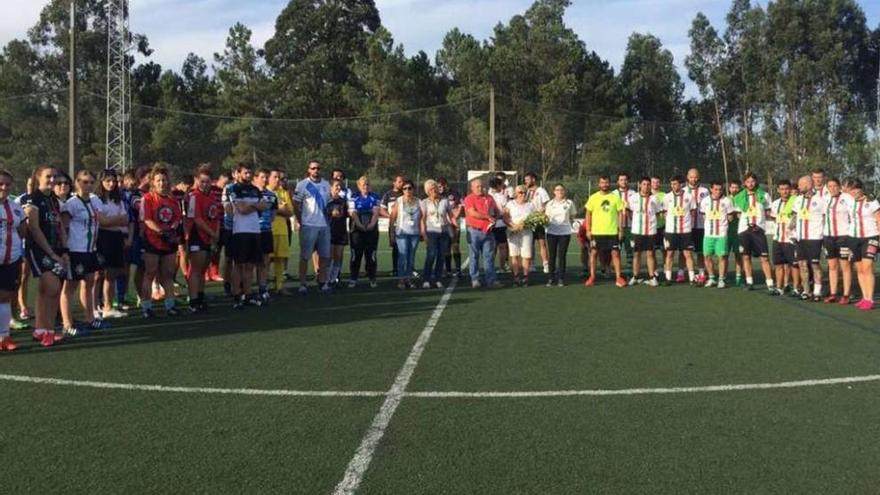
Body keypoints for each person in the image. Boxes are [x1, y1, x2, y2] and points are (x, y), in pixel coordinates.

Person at [23, 166, 67, 347]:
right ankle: (49, 331)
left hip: (55, 250)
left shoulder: (54, 200)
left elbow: (60, 227)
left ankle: (40, 329)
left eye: (55, 176)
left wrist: (64, 250)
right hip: (39, 250)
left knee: (44, 290)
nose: (52, 179)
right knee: (53, 288)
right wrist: (51, 253)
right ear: (38, 177)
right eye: (48, 176)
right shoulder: (33, 199)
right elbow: (34, 228)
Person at [60, 170, 108, 335]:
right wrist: (65, 250)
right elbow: (64, 228)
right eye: (84, 182)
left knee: (89, 284)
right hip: (76, 250)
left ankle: (90, 318)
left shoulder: (95, 201)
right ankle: (67, 324)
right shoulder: (71, 204)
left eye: (90, 182)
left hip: (90, 250)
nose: (87, 185)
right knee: (69, 287)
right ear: (77, 183)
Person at [140, 165, 184, 317]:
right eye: (158, 180)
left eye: (164, 180)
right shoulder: (147, 198)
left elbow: (178, 218)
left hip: (169, 242)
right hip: (152, 241)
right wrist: (161, 232)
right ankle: (146, 307)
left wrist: (172, 230)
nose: (161, 183)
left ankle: (170, 305)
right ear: (152, 181)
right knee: (150, 273)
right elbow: (146, 219)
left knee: (168, 274)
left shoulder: (173, 200)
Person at [228, 164, 266, 307]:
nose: (248, 175)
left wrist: (251, 206)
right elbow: (242, 209)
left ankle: (248, 294)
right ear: (238, 173)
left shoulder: (256, 190)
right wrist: (255, 206)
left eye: (250, 173)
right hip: (240, 231)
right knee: (239, 264)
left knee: (250, 265)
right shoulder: (234, 189)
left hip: (255, 230)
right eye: (245, 173)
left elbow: (264, 206)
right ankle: (237, 294)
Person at [185, 165, 221, 312]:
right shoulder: (194, 196)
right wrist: (212, 233)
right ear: (196, 181)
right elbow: (197, 219)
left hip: (209, 237)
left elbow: (216, 217)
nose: (205, 184)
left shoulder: (212, 196)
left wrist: (216, 234)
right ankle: (193, 300)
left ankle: (200, 296)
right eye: (202, 181)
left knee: (203, 269)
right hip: (197, 236)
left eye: (207, 181)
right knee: (196, 269)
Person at [732, 172, 775, 293]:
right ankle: (749, 281)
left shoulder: (764, 195)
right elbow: (739, 214)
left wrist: (759, 224)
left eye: (752, 181)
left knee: (764, 258)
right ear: (744, 183)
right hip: (744, 230)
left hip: (758, 230)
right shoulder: (739, 197)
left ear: (756, 182)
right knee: (746, 257)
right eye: (748, 181)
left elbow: (768, 212)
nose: (750, 183)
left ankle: (770, 283)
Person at [95, 169, 130, 319]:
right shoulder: (96, 199)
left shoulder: (118, 199)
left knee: (112, 274)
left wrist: (111, 221)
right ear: (101, 182)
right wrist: (115, 220)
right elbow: (102, 222)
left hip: (116, 237)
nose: (111, 184)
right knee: (97, 275)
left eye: (113, 181)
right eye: (108, 180)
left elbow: (126, 219)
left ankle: (108, 306)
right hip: (101, 238)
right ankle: (94, 306)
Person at [294, 160, 331, 294]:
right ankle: (303, 283)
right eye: (313, 168)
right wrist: (300, 220)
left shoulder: (327, 184)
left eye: (318, 168)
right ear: (309, 170)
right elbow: (296, 204)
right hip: (309, 225)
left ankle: (322, 282)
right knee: (305, 256)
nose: (316, 170)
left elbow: (330, 203)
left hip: (324, 225)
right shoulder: (303, 184)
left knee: (325, 256)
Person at [0, 169, 27, 351]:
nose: (4, 187)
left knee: (5, 297)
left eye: (7, 184)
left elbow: (23, 231)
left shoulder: (16, 207)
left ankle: (4, 337)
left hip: (11, 259)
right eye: (0, 184)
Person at [584, 176, 626, 288]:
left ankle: (618, 278)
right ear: (599, 184)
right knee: (593, 254)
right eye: (602, 182)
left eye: (606, 182)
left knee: (615, 254)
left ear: (609, 184)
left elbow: (620, 214)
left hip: (612, 232)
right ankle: (592, 277)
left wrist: (621, 229)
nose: (605, 184)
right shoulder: (593, 198)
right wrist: (588, 230)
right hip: (596, 232)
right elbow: (588, 214)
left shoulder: (615, 197)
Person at [791, 175, 827, 302]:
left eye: (800, 184)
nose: (798, 187)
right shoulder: (798, 200)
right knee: (802, 265)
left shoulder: (821, 200)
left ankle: (817, 291)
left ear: (808, 184)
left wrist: (824, 236)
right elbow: (794, 216)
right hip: (801, 238)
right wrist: (792, 230)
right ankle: (806, 291)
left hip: (814, 237)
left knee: (815, 265)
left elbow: (825, 218)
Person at [845, 178, 879, 311]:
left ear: (861, 188)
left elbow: (879, 219)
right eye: (850, 190)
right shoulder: (848, 201)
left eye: (855, 189)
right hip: (853, 237)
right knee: (859, 269)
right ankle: (864, 297)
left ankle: (870, 299)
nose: (853, 192)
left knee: (867, 268)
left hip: (870, 237)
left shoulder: (871, 202)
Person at [463, 178, 500, 288]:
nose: (480, 188)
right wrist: (487, 216)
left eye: (482, 186)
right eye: (477, 187)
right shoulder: (469, 198)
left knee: (489, 256)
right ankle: (475, 279)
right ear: (472, 188)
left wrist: (495, 218)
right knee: (474, 256)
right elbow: (472, 213)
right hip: (474, 231)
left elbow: (497, 211)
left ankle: (491, 280)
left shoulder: (489, 198)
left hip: (488, 231)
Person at [625, 177, 662, 287]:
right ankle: (635, 276)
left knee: (650, 254)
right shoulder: (633, 197)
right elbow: (629, 211)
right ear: (640, 185)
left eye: (648, 184)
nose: (646, 186)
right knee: (637, 254)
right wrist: (636, 222)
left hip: (650, 230)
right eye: (644, 184)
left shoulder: (654, 199)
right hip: (637, 230)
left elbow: (658, 213)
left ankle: (652, 277)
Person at [662, 176, 697, 286]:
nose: (673, 186)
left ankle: (692, 278)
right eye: (672, 184)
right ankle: (668, 278)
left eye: (675, 184)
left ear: (681, 184)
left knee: (687, 254)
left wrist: (687, 224)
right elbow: (664, 212)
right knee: (670, 253)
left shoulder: (689, 197)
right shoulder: (667, 197)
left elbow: (693, 212)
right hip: (671, 231)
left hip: (685, 230)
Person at [822, 178, 853, 304]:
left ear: (839, 186)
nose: (833, 188)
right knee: (832, 266)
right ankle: (833, 293)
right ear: (827, 188)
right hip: (828, 236)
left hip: (843, 237)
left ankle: (846, 294)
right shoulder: (825, 198)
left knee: (845, 266)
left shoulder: (847, 198)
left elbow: (854, 214)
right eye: (830, 186)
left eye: (835, 186)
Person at [699, 181, 735, 288]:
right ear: (711, 189)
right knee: (707, 256)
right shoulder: (705, 201)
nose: (718, 191)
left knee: (722, 257)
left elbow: (730, 217)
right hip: (708, 234)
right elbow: (704, 216)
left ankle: (721, 279)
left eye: (720, 189)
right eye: (715, 189)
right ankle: (711, 278)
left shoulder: (727, 201)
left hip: (721, 234)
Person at [347, 176, 381, 288]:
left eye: (367, 184)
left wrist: (371, 224)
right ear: (358, 186)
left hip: (372, 229)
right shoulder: (354, 196)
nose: (365, 186)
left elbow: (376, 212)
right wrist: (360, 225)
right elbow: (353, 212)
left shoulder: (375, 196)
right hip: (357, 229)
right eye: (363, 185)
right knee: (355, 255)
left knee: (371, 255)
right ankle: (353, 278)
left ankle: (372, 277)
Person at [420, 179, 453, 289]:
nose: (434, 190)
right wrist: (423, 233)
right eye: (431, 189)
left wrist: (454, 224)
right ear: (427, 191)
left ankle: (438, 279)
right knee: (431, 255)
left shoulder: (445, 201)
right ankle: (426, 279)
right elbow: (423, 219)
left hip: (444, 232)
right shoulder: (424, 202)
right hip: (431, 232)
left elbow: (450, 215)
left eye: (435, 188)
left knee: (441, 256)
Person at [389, 180, 421, 289]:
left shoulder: (419, 201)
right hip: (401, 233)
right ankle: (401, 280)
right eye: (404, 188)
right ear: (402, 190)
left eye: (409, 188)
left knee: (411, 258)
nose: (407, 190)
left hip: (415, 234)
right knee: (402, 257)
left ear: (413, 189)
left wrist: (422, 232)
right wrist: (392, 233)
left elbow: (422, 218)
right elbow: (392, 216)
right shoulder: (399, 201)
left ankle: (409, 280)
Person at [769, 180, 799, 296]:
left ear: (790, 189)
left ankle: (796, 288)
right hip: (778, 238)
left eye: (786, 189)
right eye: (782, 189)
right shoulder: (776, 203)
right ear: (778, 190)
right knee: (778, 264)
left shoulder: (796, 201)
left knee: (794, 265)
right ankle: (779, 287)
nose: (784, 191)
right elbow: (773, 217)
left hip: (791, 239)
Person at [504, 185, 537, 287]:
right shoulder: (510, 204)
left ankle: (525, 277)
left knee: (526, 255)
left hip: (526, 233)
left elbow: (535, 218)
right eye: (520, 192)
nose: (522, 194)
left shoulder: (531, 205)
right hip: (513, 232)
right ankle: (516, 277)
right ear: (515, 193)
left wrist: (525, 225)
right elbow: (505, 217)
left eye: (524, 192)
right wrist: (513, 226)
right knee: (514, 255)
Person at [545, 184, 576, 287]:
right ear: (554, 192)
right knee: (552, 256)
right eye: (557, 190)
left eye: (562, 190)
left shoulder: (569, 203)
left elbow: (572, 215)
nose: (560, 192)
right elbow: (546, 217)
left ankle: (561, 278)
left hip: (565, 233)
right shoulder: (549, 204)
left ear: (564, 191)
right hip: (551, 232)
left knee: (562, 256)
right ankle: (550, 278)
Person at [254, 168, 278, 301]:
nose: (264, 180)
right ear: (256, 178)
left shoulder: (272, 195)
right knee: (250, 262)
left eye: (266, 177)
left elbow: (273, 214)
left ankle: (263, 287)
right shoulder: (250, 193)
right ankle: (245, 289)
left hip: (266, 231)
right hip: (252, 231)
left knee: (264, 261)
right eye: (262, 177)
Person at [268, 168, 293, 295]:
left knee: (280, 259)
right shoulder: (264, 192)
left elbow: (290, 212)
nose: (278, 180)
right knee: (266, 260)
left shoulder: (283, 193)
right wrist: (279, 208)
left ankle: (279, 286)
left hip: (282, 230)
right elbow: (265, 210)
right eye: (275, 177)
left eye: (280, 178)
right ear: (269, 178)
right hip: (269, 231)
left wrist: (276, 209)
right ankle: (264, 286)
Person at [684, 168, 710, 283]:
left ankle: (701, 273)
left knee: (700, 252)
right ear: (687, 177)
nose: (693, 179)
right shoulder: (683, 190)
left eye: (695, 177)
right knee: (685, 252)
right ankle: (684, 273)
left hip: (701, 226)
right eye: (691, 177)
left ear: (698, 177)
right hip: (686, 226)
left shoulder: (705, 191)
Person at [524, 172, 550, 274]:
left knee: (542, 243)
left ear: (533, 180)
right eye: (525, 180)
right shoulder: (525, 191)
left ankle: (545, 264)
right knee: (529, 243)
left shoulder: (541, 191)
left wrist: (539, 216)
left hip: (538, 221)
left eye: (527, 179)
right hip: (528, 221)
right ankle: (532, 264)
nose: (526, 181)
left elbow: (546, 204)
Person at [437, 177, 463, 277]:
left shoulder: (455, 193)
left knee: (455, 246)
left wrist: (455, 217)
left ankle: (458, 270)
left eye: (441, 186)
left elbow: (461, 205)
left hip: (454, 224)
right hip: (443, 225)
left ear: (446, 185)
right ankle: (448, 270)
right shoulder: (438, 195)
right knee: (446, 248)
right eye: (438, 186)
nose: (440, 188)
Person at [219, 168, 240, 296]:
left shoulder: (249, 188)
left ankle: (240, 283)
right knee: (229, 258)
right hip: (230, 227)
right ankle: (227, 283)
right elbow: (227, 208)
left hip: (244, 228)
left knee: (242, 259)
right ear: (234, 174)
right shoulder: (229, 188)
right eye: (237, 172)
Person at [207, 170, 230, 282]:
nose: (224, 185)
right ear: (219, 178)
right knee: (209, 249)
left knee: (218, 249)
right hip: (211, 224)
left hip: (222, 223)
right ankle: (206, 272)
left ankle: (214, 272)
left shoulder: (226, 191)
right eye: (223, 183)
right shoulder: (211, 189)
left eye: (226, 184)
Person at [325, 179, 348, 288]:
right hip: (329, 231)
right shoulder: (326, 200)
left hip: (341, 231)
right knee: (329, 256)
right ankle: (326, 279)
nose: (338, 188)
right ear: (331, 187)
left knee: (338, 256)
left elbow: (347, 214)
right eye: (336, 186)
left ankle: (334, 279)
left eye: (340, 186)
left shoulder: (343, 201)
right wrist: (331, 213)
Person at [381, 175, 405, 277]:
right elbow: (382, 210)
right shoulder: (388, 195)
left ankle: (408, 268)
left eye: (402, 181)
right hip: (393, 226)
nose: (402, 183)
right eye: (399, 181)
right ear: (394, 183)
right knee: (395, 247)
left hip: (405, 226)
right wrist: (391, 217)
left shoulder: (406, 193)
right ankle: (395, 269)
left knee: (406, 247)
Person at [612, 172, 636, 274]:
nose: (623, 182)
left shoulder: (634, 194)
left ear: (628, 181)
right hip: (615, 227)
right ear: (618, 181)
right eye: (621, 180)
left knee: (630, 250)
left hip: (630, 227)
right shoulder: (613, 194)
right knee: (615, 250)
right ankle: (616, 272)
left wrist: (629, 211)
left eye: (625, 179)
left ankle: (630, 271)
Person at [488, 177, 510, 272]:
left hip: (492, 223)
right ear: (497, 186)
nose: (502, 187)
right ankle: (501, 267)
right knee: (501, 246)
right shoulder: (501, 197)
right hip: (499, 224)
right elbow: (505, 211)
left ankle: (491, 267)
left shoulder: (487, 195)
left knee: (494, 247)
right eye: (501, 185)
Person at [726, 180, 744, 286]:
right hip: (726, 231)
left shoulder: (742, 200)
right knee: (724, 255)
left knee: (739, 255)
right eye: (732, 187)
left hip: (739, 230)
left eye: (736, 187)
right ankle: (723, 276)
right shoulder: (725, 200)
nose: (734, 189)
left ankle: (738, 277)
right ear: (729, 188)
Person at [650, 176, 666, 279]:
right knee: (652, 251)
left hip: (662, 227)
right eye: (653, 182)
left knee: (665, 250)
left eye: (657, 182)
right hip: (652, 227)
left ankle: (666, 269)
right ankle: (654, 270)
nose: (655, 184)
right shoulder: (647, 195)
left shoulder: (664, 195)